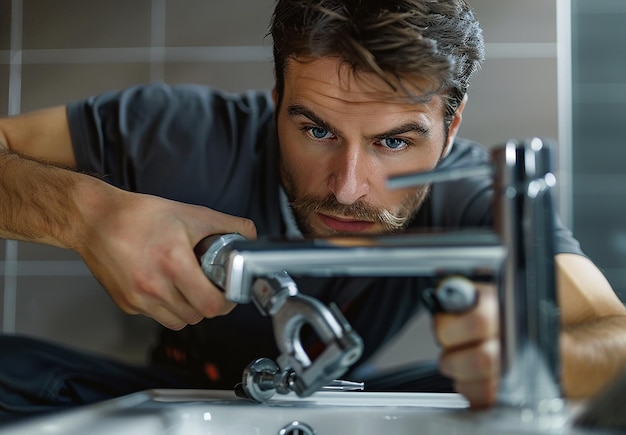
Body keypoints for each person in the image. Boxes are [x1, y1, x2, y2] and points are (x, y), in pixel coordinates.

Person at [1, 0, 625, 423]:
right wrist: (85, 212)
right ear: (278, 102)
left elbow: (612, 332)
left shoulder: (471, 194)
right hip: (167, 390)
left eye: (393, 142)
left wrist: (538, 357)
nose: (349, 188)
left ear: (450, 126)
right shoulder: (177, 132)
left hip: (349, 395)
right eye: (317, 131)